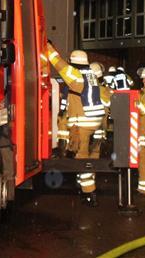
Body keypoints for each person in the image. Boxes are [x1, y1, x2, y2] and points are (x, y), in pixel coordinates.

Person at [43, 41, 105, 207]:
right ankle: (86, 186)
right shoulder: (90, 75)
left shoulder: (77, 75)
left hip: (83, 124)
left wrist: (48, 48)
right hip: (95, 122)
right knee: (91, 157)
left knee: (81, 158)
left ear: (74, 62)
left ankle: (89, 193)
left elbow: (61, 66)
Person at [89, 62, 112, 159]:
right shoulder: (101, 90)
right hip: (98, 130)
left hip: (85, 130)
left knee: (84, 155)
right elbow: (109, 103)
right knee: (94, 154)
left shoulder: (84, 88)